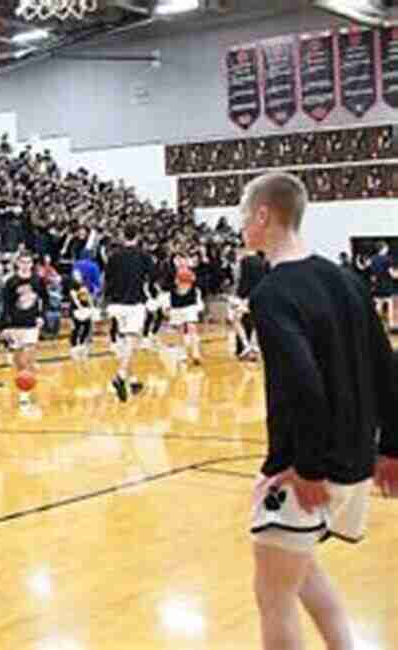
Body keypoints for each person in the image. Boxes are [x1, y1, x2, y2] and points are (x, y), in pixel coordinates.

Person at [238, 172, 398, 650]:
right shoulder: (346, 280)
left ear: (264, 215)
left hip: (314, 469)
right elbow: (387, 364)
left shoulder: (271, 294)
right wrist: (391, 447)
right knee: (300, 568)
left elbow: (302, 384)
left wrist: (305, 467)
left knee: (273, 595)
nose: (243, 225)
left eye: (245, 215)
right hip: (355, 462)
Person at [103, 229, 152, 402]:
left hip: (116, 304)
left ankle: (131, 380)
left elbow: (107, 279)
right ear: (137, 237)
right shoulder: (144, 256)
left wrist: (105, 302)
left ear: (122, 236)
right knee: (133, 340)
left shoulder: (113, 256)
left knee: (125, 343)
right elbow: (151, 278)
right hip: (134, 303)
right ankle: (121, 375)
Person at [2, 253, 46, 405]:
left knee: (29, 357)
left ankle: (25, 392)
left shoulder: (37, 280)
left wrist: (41, 316)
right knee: (19, 360)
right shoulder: (10, 282)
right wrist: (5, 326)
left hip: (32, 324)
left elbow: (44, 299)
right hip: (15, 324)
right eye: (23, 262)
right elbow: (6, 304)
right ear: (18, 264)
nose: (26, 265)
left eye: (29, 262)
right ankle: (24, 385)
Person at [168, 267, 203, 367]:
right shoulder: (172, 290)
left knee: (190, 329)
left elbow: (198, 301)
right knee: (182, 331)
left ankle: (194, 353)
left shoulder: (195, 290)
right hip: (178, 309)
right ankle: (185, 353)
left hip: (188, 308)